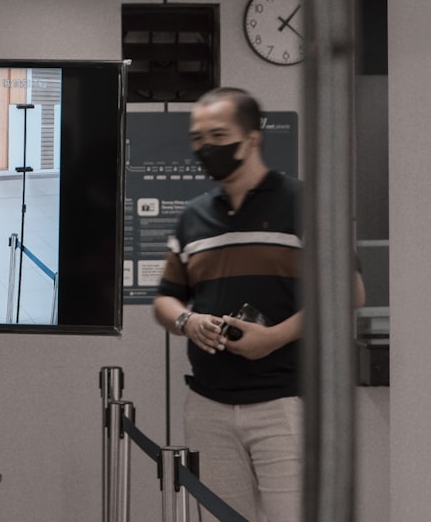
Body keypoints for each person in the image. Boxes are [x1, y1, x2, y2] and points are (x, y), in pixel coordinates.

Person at [151, 87, 365, 522]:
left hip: (285, 401)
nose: (206, 148)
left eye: (218, 135)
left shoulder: (303, 202)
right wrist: (189, 321)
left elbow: (351, 291)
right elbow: (166, 300)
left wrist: (275, 338)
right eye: (198, 138)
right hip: (209, 404)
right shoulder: (193, 216)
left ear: (251, 138)